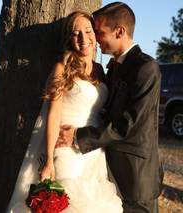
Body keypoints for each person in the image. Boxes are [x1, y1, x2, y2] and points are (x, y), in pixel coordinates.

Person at [6, 10, 123, 213]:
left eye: (88, 31)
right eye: (76, 33)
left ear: (95, 35)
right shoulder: (62, 68)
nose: (83, 38)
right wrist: (49, 159)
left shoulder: (100, 71)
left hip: (93, 151)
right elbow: (53, 115)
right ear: (69, 39)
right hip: (66, 150)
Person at [56, 2, 163, 213]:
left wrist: (78, 136)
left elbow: (127, 124)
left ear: (120, 31)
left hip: (136, 175)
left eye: (99, 32)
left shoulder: (146, 68)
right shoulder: (112, 67)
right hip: (108, 171)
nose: (95, 38)